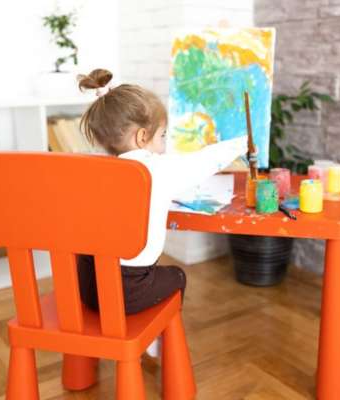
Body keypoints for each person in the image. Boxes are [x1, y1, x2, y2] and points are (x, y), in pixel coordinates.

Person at [76, 68, 248, 320]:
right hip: (127, 290)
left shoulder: (93, 170)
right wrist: (243, 143)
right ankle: (156, 345)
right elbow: (203, 162)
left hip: (87, 287)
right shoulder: (154, 169)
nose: (164, 143)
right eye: (162, 135)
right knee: (177, 276)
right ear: (142, 136)